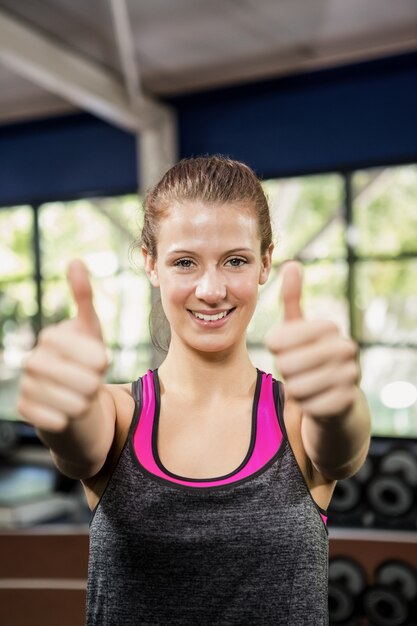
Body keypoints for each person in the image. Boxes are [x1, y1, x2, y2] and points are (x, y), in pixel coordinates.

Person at [16, 155, 371, 625]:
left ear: (265, 263)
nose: (210, 289)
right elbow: (78, 448)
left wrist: (340, 400)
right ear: (151, 264)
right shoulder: (118, 412)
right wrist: (66, 407)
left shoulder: (302, 416)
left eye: (236, 261)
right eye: (185, 262)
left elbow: (343, 446)